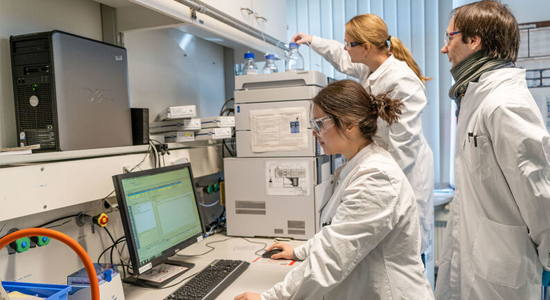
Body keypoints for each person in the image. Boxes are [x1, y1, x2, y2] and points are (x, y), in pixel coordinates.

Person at [234, 80, 434, 300]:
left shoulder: (375, 178)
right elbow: (337, 233)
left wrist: (270, 298)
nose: (314, 133)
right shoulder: (355, 168)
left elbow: (333, 257)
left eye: (320, 124)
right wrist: (300, 251)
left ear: (349, 124)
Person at [291, 14, 434, 258]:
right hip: (378, 164)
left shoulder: (401, 80)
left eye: (349, 44)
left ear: (365, 47)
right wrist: (312, 40)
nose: (345, 49)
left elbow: (404, 146)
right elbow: (339, 56)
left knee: (403, 250)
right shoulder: (370, 67)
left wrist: (377, 180)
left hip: (403, 172)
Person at [435, 1, 550, 299]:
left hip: (500, 268)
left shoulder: (505, 103)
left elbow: (538, 191)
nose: (444, 49)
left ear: (474, 40)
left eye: (450, 37)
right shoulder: (476, 98)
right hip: (476, 258)